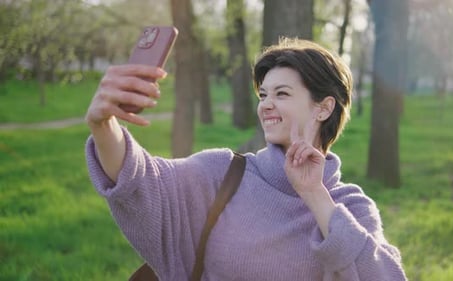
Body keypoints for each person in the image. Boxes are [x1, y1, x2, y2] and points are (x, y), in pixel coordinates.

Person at [85, 37, 408, 281]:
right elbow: (139, 178)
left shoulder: (350, 206)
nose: (266, 105)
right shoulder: (223, 172)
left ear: (323, 108)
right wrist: (103, 125)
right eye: (263, 95)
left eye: (281, 94)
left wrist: (313, 193)